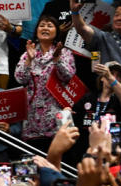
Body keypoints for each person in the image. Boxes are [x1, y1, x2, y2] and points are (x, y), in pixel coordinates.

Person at [14, 16, 76, 145]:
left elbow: (68, 76)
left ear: (56, 32)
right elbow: (20, 79)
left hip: (56, 113)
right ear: (36, 31)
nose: (45, 28)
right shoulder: (28, 53)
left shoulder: (64, 53)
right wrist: (29, 60)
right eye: (42, 25)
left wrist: (57, 60)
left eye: (49, 26)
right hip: (32, 115)